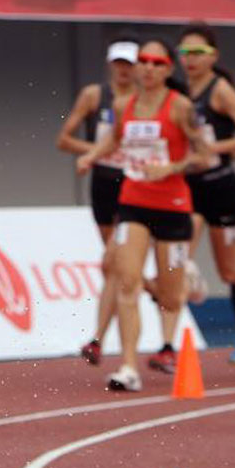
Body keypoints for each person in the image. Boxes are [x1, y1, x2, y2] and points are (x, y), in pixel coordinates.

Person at [78, 39, 206, 391]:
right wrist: (91, 156)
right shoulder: (124, 105)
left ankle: (167, 343)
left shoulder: (180, 107)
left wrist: (172, 167)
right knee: (126, 280)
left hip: (173, 207)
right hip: (133, 202)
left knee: (169, 292)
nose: (148, 68)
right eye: (143, 62)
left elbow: (204, 154)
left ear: (167, 68)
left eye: (156, 62)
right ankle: (129, 366)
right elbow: (113, 140)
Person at [55, 37, 138, 365]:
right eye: (118, 63)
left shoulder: (145, 102)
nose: (123, 70)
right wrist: (95, 152)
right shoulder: (94, 95)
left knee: (115, 261)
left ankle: (99, 339)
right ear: (109, 64)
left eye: (129, 64)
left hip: (134, 184)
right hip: (103, 183)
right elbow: (63, 138)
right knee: (115, 263)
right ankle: (151, 291)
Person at [176, 22, 235, 370]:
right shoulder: (180, 90)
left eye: (198, 53)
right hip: (188, 187)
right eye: (185, 53)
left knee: (231, 272)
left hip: (221, 187)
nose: (191, 60)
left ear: (213, 56)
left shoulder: (221, 91)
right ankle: (170, 338)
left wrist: (215, 147)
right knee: (177, 253)